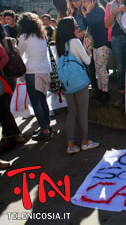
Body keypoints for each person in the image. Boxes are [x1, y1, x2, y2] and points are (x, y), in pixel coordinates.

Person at [55, 17, 99, 154]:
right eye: (75, 27)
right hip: (80, 83)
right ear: (70, 29)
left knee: (71, 113)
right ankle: (85, 141)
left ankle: (70, 144)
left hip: (67, 84)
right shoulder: (74, 42)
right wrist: (88, 50)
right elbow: (86, 61)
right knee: (83, 113)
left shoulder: (59, 44)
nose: (77, 29)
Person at [17, 13, 52, 141]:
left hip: (32, 71)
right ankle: (47, 125)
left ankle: (44, 130)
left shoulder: (24, 37)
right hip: (44, 71)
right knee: (43, 100)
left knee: (36, 102)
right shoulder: (42, 35)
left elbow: (19, 54)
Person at [82, 0, 110, 103]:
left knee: (101, 69)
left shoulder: (98, 10)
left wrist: (87, 13)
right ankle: (101, 91)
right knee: (98, 69)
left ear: (92, 0)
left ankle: (105, 92)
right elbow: (88, 24)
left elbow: (92, 23)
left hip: (102, 44)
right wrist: (87, 14)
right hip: (97, 45)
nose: (83, 4)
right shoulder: (93, 11)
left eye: (85, 1)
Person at [105, 0, 126, 106]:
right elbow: (107, 24)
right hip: (116, 38)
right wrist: (114, 13)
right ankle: (122, 95)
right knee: (120, 67)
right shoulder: (110, 6)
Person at [0, 39, 24, 150]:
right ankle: (12, 135)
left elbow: (4, 57)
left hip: (6, 78)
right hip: (5, 79)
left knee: (5, 111)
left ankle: (12, 136)